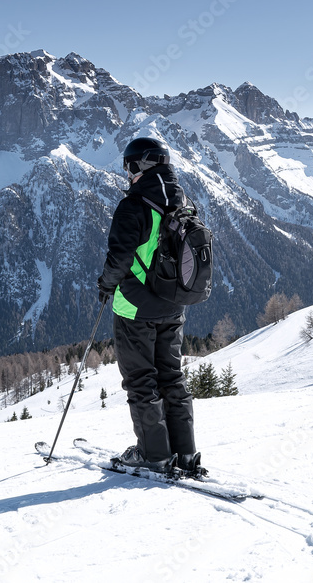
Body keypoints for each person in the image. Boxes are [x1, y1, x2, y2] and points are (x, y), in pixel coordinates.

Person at [97, 137, 201, 475]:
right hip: (174, 306)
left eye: (128, 166)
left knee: (142, 381)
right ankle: (184, 454)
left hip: (135, 308)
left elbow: (120, 257)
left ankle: (153, 455)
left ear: (140, 166)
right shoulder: (183, 201)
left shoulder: (134, 205)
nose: (126, 174)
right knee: (172, 377)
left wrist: (105, 284)